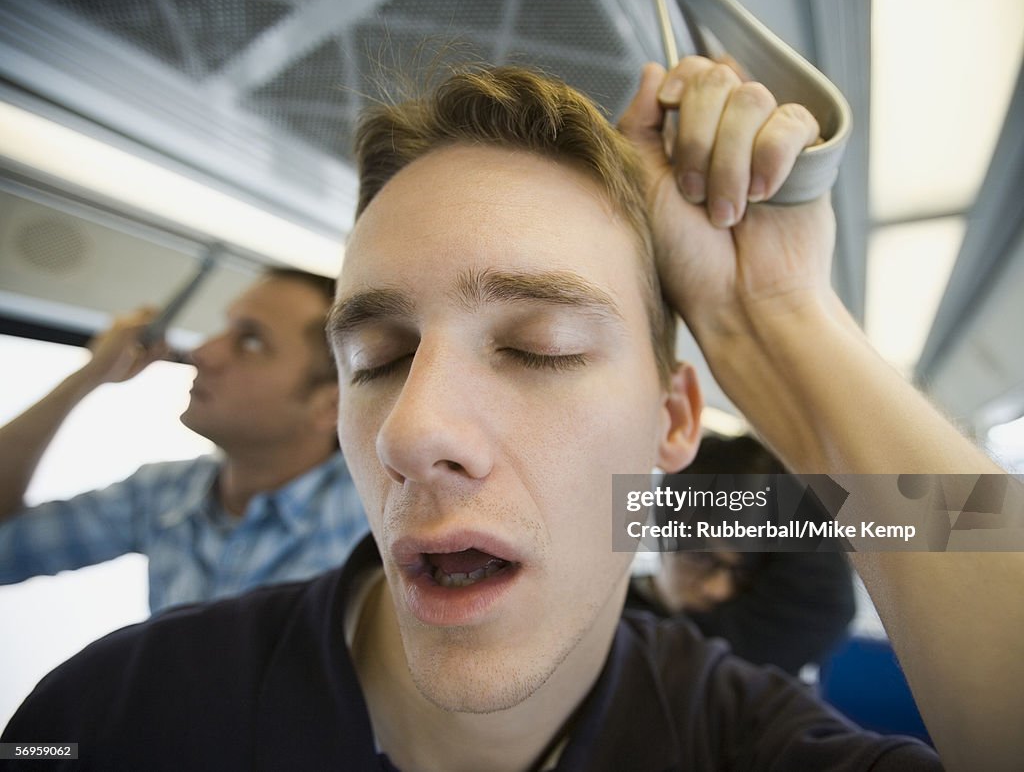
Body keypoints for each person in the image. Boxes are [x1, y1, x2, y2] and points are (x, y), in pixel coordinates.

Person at [3, 61, 1022, 771]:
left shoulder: (741, 712)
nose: (413, 429)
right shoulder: (110, 716)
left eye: (539, 349)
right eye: (379, 359)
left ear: (674, 425)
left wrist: (780, 322)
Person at [0, 267, 367, 613]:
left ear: (330, 404)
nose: (201, 352)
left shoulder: (371, 511)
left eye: (251, 342)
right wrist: (88, 375)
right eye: (224, 329)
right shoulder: (164, 491)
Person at [627, 434, 857, 675]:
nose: (718, 590)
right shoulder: (613, 629)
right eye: (700, 557)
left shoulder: (748, 630)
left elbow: (825, 601)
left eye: (743, 570)